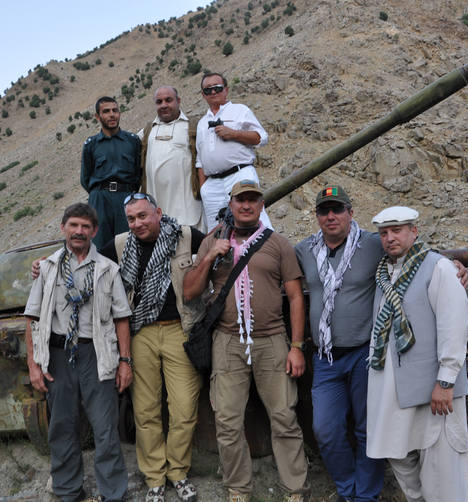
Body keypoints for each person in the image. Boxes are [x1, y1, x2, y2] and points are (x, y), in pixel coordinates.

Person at [182, 179, 308, 502]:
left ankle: (294, 488)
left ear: (261, 205)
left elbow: (295, 297)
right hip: (227, 341)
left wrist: (296, 347)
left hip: (272, 339)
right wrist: (210, 256)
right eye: (241, 200)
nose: (247, 205)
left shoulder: (278, 244)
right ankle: (238, 488)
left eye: (253, 200)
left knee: (284, 416)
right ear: (232, 204)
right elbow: (190, 290)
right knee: (227, 420)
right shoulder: (213, 240)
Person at [23, 202, 132, 502]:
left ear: (94, 231)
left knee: (105, 427)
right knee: (61, 426)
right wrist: (33, 365)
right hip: (58, 355)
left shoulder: (108, 269)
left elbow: (122, 318)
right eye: (73, 225)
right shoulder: (47, 268)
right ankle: (68, 490)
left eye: (85, 226)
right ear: (63, 228)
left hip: (97, 354)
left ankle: (113, 493)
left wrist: (125, 361)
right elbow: (32, 318)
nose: (79, 231)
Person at [366, 206, 468, 502]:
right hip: (392, 387)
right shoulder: (383, 273)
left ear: (414, 231)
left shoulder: (439, 267)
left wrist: (446, 381)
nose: (390, 238)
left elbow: (454, 325)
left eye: (397, 230)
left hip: (434, 386)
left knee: (443, 466)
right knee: (393, 450)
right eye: (384, 233)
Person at [103, 193, 205, 502]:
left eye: (143, 216)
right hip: (140, 333)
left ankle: (178, 471)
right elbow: (87, 259)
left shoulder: (185, 236)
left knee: (184, 407)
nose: (137, 223)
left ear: (158, 212)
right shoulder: (120, 245)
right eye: (131, 218)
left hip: (179, 330)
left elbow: (219, 252)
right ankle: (155, 477)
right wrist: (45, 264)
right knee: (146, 411)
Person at [294, 185, 386, 502]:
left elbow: (412, 250)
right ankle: (348, 490)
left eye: (337, 209)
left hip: (364, 354)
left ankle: (366, 496)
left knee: (367, 428)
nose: (330, 216)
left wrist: (454, 266)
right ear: (317, 216)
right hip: (326, 358)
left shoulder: (372, 244)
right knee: (326, 429)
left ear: (350, 212)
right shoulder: (305, 250)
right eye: (324, 210)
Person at [195, 72, 271, 231]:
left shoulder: (240, 110)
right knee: (216, 230)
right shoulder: (202, 123)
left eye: (217, 88)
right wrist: (204, 188)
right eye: (208, 90)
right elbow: (200, 160)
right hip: (212, 185)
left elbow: (261, 137)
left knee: (255, 222)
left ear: (226, 89)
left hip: (239, 174)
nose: (213, 92)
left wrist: (234, 134)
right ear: (203, 94)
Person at [138, 86, 205, 232]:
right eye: (159, 102)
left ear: (178, 101)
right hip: (157, 211)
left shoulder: (193, 127)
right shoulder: (147, 130)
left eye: (168, 100)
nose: (164, 105)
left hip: (188, 210)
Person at [81, 96, 142, 247]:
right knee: (99, 246)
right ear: (98, 116)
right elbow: (85, 178)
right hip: (100, 200)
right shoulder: (91, 145)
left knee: (128, 244)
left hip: (126, 197)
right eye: (106, 111)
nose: (112, 115)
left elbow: (138, 173)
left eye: (115, 110)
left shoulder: (132, 141)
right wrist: (99, 193)